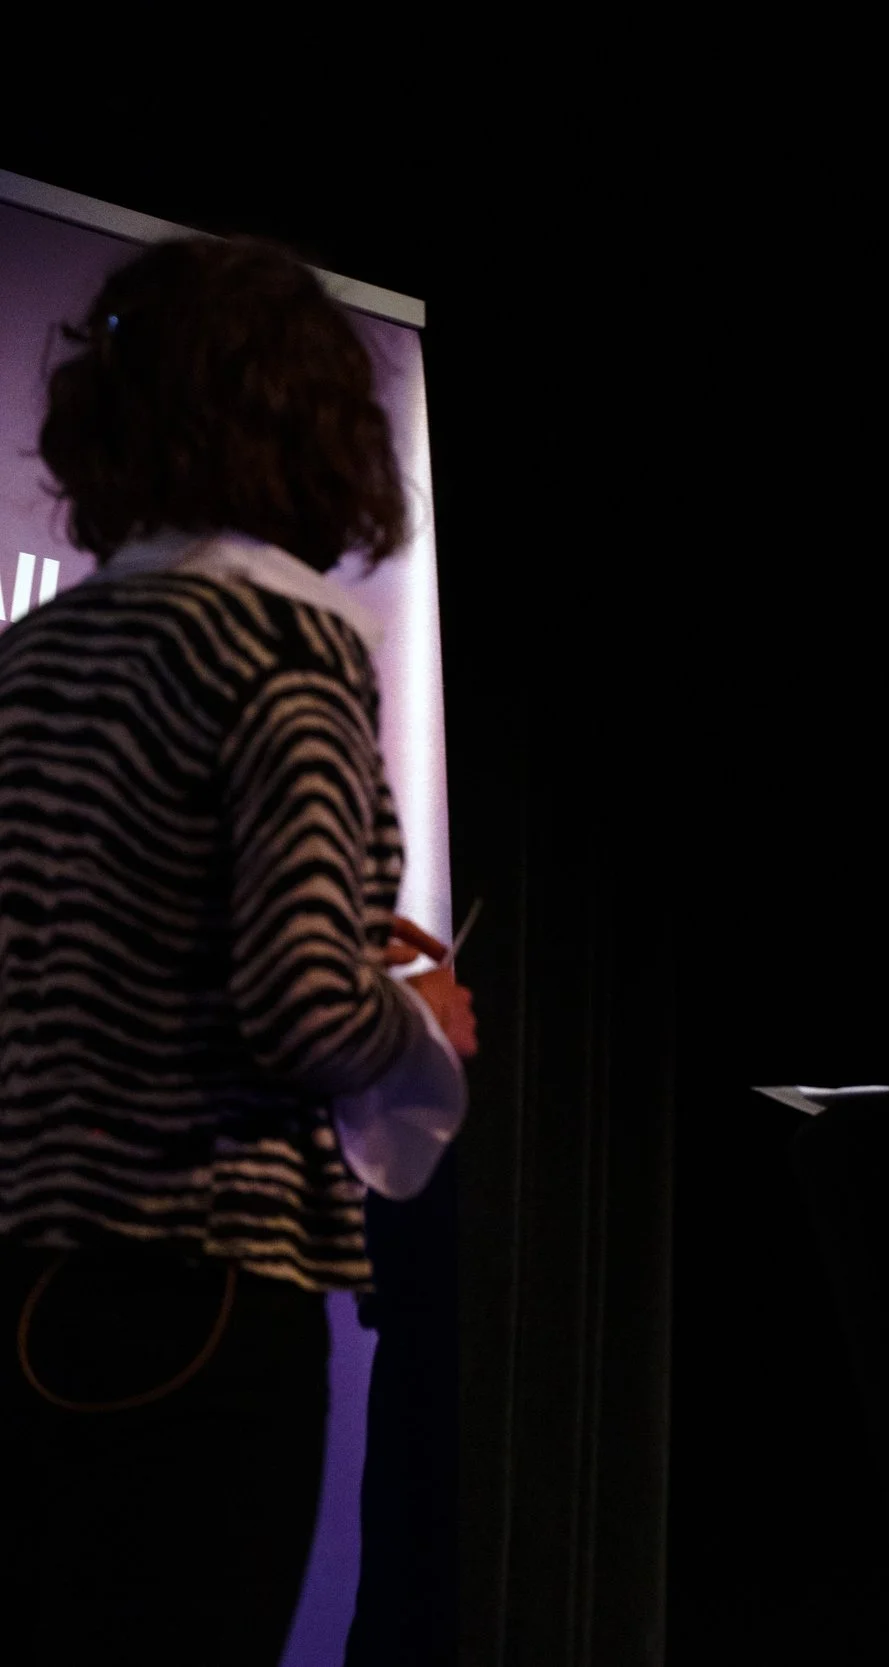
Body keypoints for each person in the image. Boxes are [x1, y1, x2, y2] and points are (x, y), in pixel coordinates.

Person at [0, 236, 476, 1662]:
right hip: (196, 1301)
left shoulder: (31, 660)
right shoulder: (279, 643)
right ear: (310, 424)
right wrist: (425, 1019)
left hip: (20, 1280)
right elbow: (299, 998)